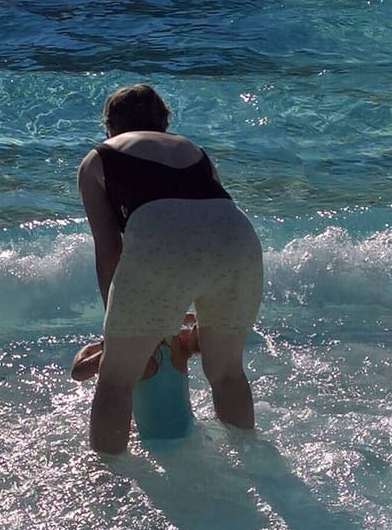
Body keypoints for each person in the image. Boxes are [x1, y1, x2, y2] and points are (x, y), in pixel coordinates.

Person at [76, 84, 263, 454]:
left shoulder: (98, 158)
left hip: (161, 242)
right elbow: (204, 225)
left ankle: (110, 482)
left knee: (116, 381)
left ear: (109, 127)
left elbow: (109, 248)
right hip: (238, 240)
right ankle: (251, 459)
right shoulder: (195, 151)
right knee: (227, 373)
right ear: (165, 122)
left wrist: (114, 326)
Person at [70, 316, 202, 443]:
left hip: (153, 444)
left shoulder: (131, 352)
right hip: (190, 435)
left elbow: (78, 372)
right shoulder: (179, 351)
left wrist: (95, 348)